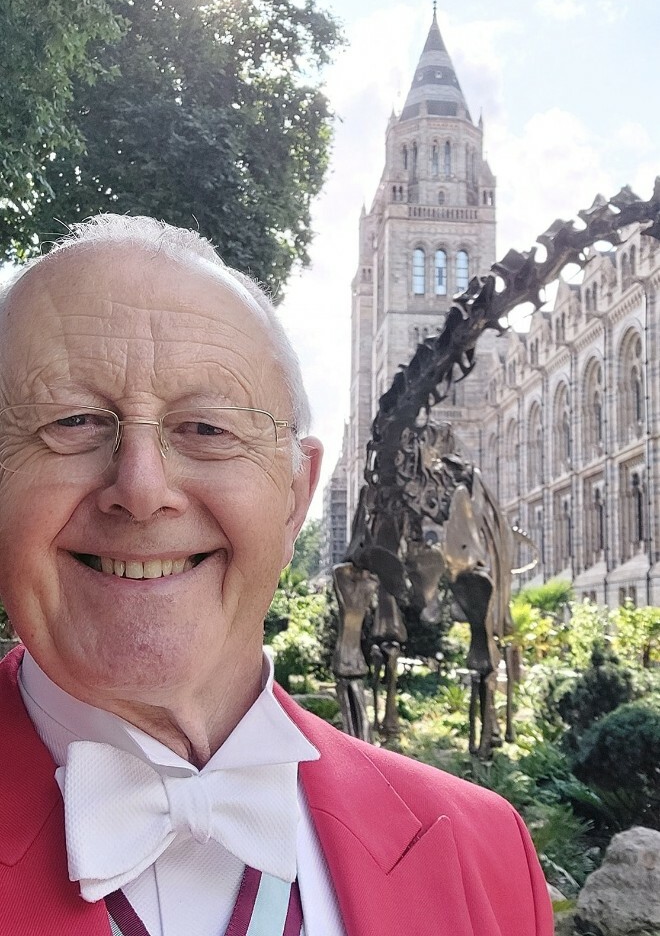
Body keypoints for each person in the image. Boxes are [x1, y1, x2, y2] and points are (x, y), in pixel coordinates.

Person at [0, 216, 553, 936]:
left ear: (296, 495)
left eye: (208, 429)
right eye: (72, 422)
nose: (141, 489)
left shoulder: (485, 852)